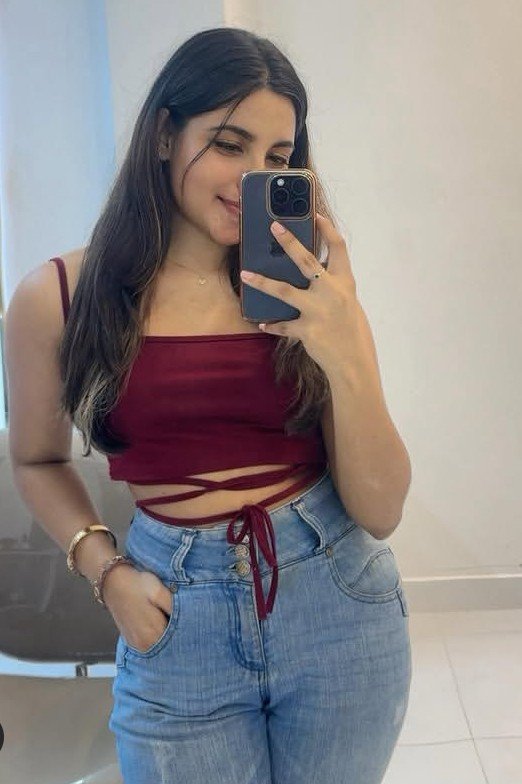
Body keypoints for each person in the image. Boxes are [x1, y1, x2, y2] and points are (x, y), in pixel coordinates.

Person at [5, 26, 412, 784]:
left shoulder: (310, 295)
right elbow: (34, 458)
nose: (254, 175)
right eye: (229, 144)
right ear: (165, 135)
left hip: (337, 599)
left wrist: (347, 345)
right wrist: (106, 571)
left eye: (279, 158)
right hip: (174, 614)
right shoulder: (57, 297)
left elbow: (381, 509)